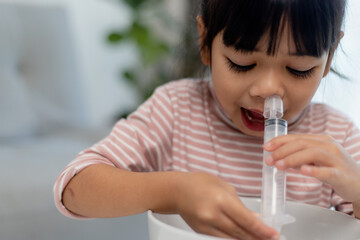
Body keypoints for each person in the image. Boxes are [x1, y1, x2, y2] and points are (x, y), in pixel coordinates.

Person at [54, 0, 360, 239]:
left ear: (329, 58)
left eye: (299, 69)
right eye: (242, 63)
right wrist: (173, 190)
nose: (268, 91)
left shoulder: (337, 137)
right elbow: (73, 188)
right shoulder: (176, 110)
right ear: (205, 42)